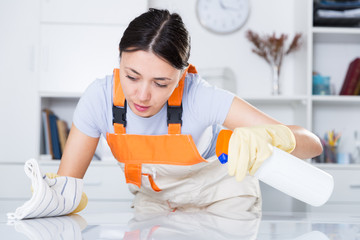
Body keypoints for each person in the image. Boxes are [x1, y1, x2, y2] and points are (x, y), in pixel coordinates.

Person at [57, 8, 323, 216]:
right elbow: (65, 186)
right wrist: (50, 197)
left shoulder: (200, 96)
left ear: (181, 75)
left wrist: (271, 139)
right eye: (132, 76)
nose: (142, 95)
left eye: (161, 83)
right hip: (156, 206)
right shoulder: (99, 99)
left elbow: (313, 145)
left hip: (222, 204)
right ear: (120, 56)